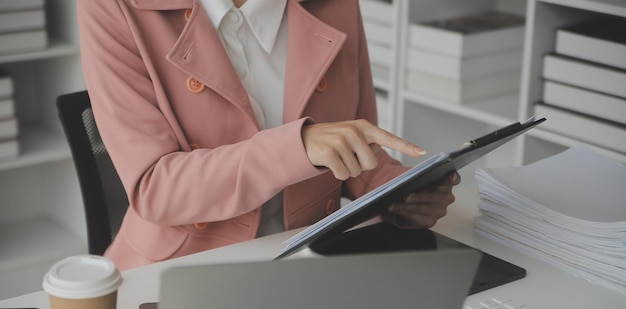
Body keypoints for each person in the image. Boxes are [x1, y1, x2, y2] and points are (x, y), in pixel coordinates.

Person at [77, 0, 460, 270]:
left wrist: (399, 192)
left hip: (307, 263)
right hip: (178, 274)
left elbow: (356, 146)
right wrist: (298, 147)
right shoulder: (112, 5)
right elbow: (155, 188)